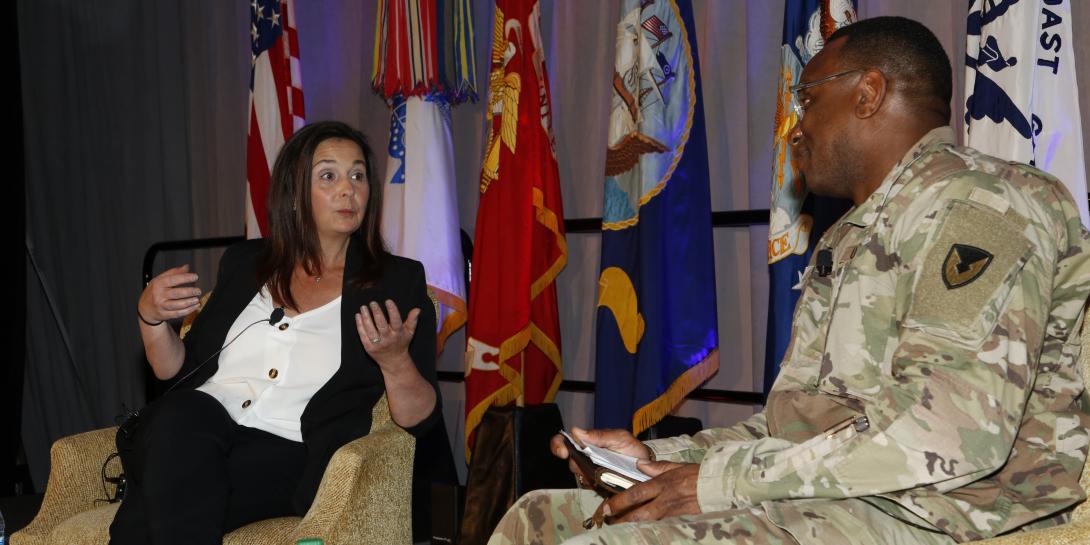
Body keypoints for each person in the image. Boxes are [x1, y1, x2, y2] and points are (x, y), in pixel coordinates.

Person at [488, 16, 1090, 545]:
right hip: (837, 498)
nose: (794, 127)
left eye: (806, 99)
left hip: (943, 513)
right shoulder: (850, 236)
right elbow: (794, 428)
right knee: (538, 518)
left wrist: (720, 485)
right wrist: (659, 460)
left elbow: (949, 435)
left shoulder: (986, 205)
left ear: (868, 93)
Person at [109, 121, 439, 545]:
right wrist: (149, 318)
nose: (348, 189)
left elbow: (420, 419)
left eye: (358, 175)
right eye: (328, 176)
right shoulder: (246, 263)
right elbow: (177, 372)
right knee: (183, 417)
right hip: (198, 426)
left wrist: (395, 363)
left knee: (152, 508)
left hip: (287, 452)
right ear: (296, 194)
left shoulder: (396, 281)